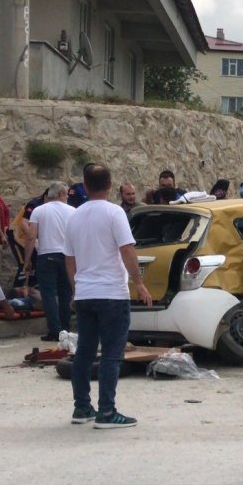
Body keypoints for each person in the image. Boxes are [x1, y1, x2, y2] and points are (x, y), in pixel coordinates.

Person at [63, 163, 153, 428]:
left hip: (86, 294)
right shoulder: (115, 213)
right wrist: (139, 283)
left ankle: (82, 408)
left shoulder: (74, 216)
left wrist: (75, 289)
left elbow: (69, 258)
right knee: (112, 354)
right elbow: (127, 250)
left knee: (84, 353)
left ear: (85, 185)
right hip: (112, 293)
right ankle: (106, 412)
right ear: (111, 185)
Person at [25, 182, 76, 342]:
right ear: (61, 194)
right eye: (67, 193)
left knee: (48, 294)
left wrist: (27, 260)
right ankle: (65, 328)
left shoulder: (39, 211)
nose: (68, 196)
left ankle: (54, 330)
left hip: (46, 255)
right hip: (67, 255)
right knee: (65, 293)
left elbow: (31, 236)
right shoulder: (73, 211)